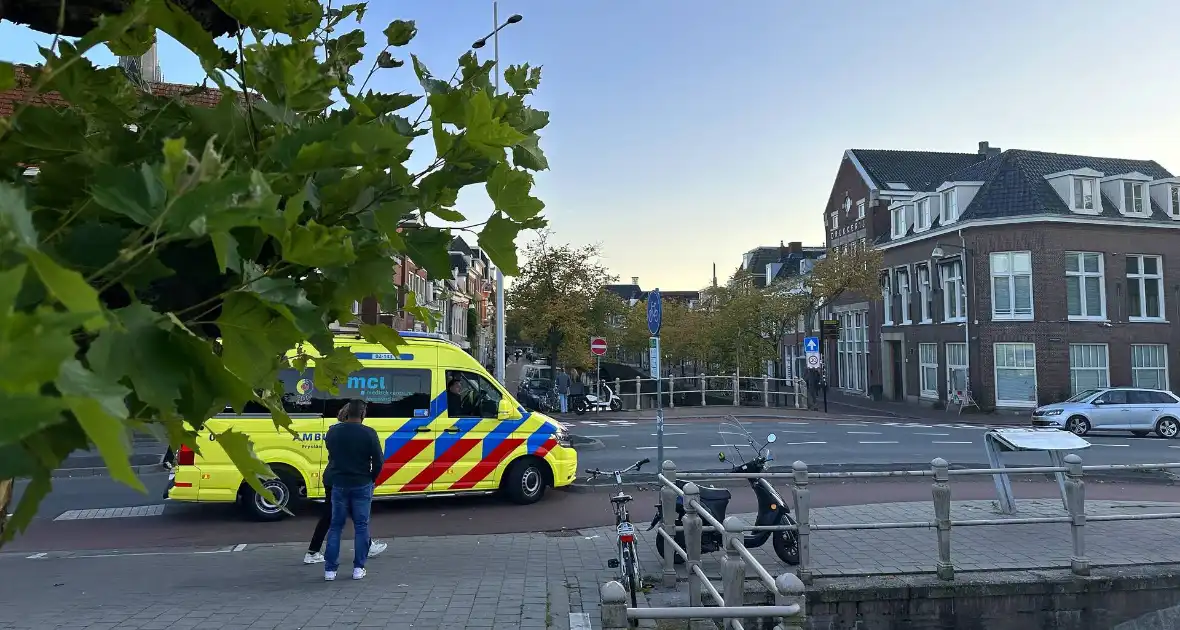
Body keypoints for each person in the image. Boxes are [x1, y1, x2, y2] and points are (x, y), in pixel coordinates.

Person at [304, 406, 387, 565]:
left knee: (336, 514)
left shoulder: (334, 431)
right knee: (342, 516)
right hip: (344, 480)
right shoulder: (359, 432)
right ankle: (313, 552)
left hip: (332, 477)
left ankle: (367, 545)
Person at [322, 399, 383, 581]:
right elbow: (379, 461)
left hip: (339, 483)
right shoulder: (369, 433)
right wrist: (371, 478)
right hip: (361, 483)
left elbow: (331, 454)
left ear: (347, 412)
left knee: (335, 526)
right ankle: (358, 568)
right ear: (363, 414)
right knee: (361, 526)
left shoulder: (333, 431)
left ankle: (330, 570)